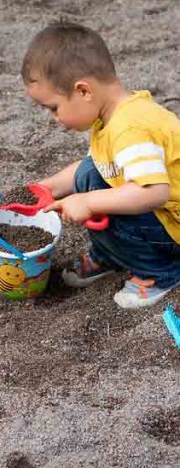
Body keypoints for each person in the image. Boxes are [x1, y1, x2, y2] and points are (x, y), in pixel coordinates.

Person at [21, 21, 180, 309]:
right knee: (89, 176)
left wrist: (89, 201)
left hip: (173, 223)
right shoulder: (112, 115)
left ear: (83, 91)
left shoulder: (132, 128)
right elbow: (98, 165)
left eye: (54, 108)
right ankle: (113, 255)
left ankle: (160, 273)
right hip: (163, 215)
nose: (54, 118)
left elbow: (153, 192)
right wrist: (50, 187)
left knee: (97, 195)